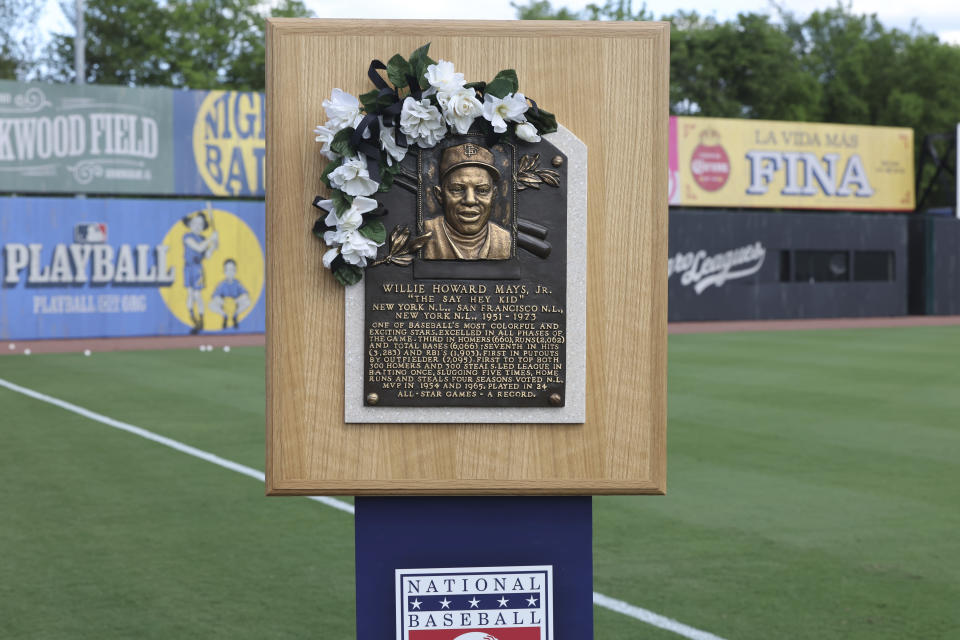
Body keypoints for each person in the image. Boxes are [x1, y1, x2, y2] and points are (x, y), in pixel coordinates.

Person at [422, 142, 512, 260]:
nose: (470, 200)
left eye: (482, 190)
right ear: (440, 195)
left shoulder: (504, 239)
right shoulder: (425, 234)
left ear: (494, 195)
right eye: (457, 189)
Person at [181, 211, 218, 334]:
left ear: (203, 227)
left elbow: (206, 254)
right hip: (188, 268)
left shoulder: (203, 238)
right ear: (190, 224)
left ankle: (201, 321)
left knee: (197, 295)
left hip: (198, 269)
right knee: (190, 294)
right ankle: (193, 319)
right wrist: (211, 239)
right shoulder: (187, 236)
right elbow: (198, 247)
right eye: (195, 223)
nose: (197, 226)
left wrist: (213, 246)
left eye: (200, 224)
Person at [208, 258, 251, 330]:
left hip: (235, 305)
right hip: (225, 306)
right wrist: (224, 302)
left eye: (232, 270)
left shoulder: (237, 283)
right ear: (224, 271)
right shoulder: (222, 284)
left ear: (235, 271)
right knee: (211, 304)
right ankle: (225, 316)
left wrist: (235, 301)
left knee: (248, 301)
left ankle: (235, 316)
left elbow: (245, 294)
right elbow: (214, 296)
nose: (230, 272)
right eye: (228, 270)